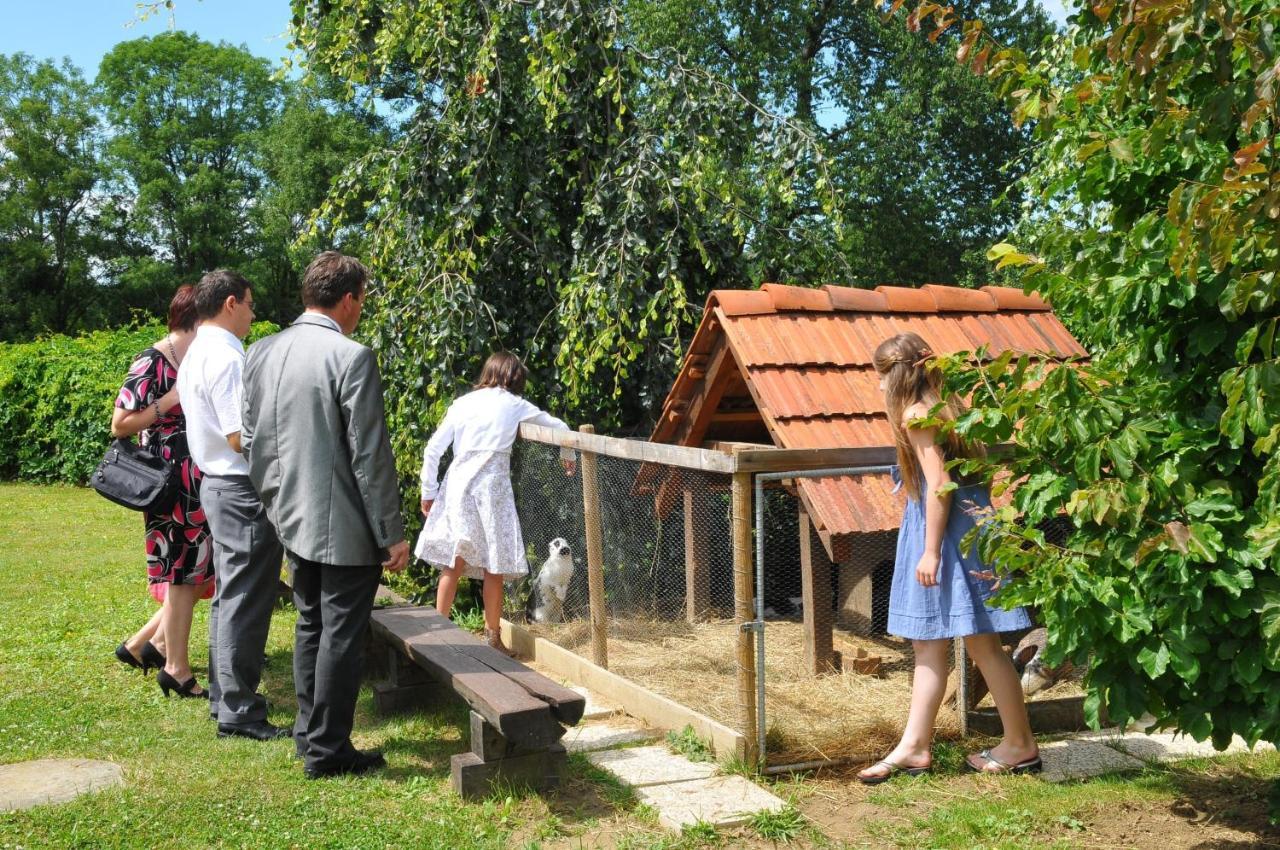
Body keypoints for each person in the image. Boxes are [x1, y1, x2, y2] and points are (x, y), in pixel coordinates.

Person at [241, 251, 409, 779]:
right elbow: (370, 456)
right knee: (340, 635)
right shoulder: (351, 356)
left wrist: (277, 506)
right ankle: (328, 750)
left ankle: (309, 734)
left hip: (290, 517)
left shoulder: (262, 351)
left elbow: (252, 442)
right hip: (344, 527)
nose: (363, 309)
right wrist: (392, 534)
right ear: (350, 298)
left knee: (310, 624)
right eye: (363, 298)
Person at [856, 332, 1039, 784]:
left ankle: (1017, 745)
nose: (879, 389)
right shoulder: (948, 404)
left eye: (881, 378)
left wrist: (930, 551)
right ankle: (919, 746)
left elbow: (939, 485)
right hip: (968, 530)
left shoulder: (917, 414)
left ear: (897, 375)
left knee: (970, 645)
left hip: (947, 534)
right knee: (958, 645)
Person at [178, 269, 290, 740]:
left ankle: (226, 699)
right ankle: (240, 711)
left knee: (230, 596)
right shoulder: (225, 357)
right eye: (249, 303)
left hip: (218, 485)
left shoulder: (196, 351)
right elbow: (238, 435)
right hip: (240, 489)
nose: (253, 313)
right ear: (229, 304)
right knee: (245, 598)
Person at [417, 351, 575, 655]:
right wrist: (567, 456)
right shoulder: (515, 404)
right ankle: (492, 638)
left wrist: (429, 490)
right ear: (514, 378)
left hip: (459, 484)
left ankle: (439, 636)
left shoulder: (463, 403)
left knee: (454, 559)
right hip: (492, 489)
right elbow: (558, 427)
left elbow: (433, 448)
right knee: (495, 564)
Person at [111, 284, 213, 691]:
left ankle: (143, 644)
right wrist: (169, 400)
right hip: (166, 484)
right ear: (196, 318)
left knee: (192, 573)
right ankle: (176, 667)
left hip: (195, 481)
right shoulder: (152, 361)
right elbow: (120, 424)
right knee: (181, 574)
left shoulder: (196, 357)